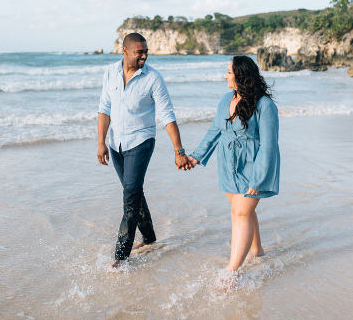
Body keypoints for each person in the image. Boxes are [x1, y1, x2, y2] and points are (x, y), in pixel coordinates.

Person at [97, 33, 193, 271]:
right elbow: (104, 109)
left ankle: (121, 256)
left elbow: (167, 115)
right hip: (116, 144)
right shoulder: (110, 72)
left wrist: (178, 149)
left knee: (130, 195)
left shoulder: (153, 78)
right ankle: (149, 237)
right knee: (133, 192)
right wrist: (101, 142)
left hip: (141, 141)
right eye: (139, 51)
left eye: (146, 51)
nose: (144, 55)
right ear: (125, 51)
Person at [186, 55, 280, 286]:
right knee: (242, 211)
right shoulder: (226, 99)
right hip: (228, 163)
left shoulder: (265, 106)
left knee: (241, 213)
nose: (225, 75)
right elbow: (215, 131)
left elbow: (269, 145)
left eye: (229, 71)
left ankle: (232, 271)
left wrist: (258, 179)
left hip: (252, 165)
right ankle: (256, 250)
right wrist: (196, 157)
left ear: (240, 76)